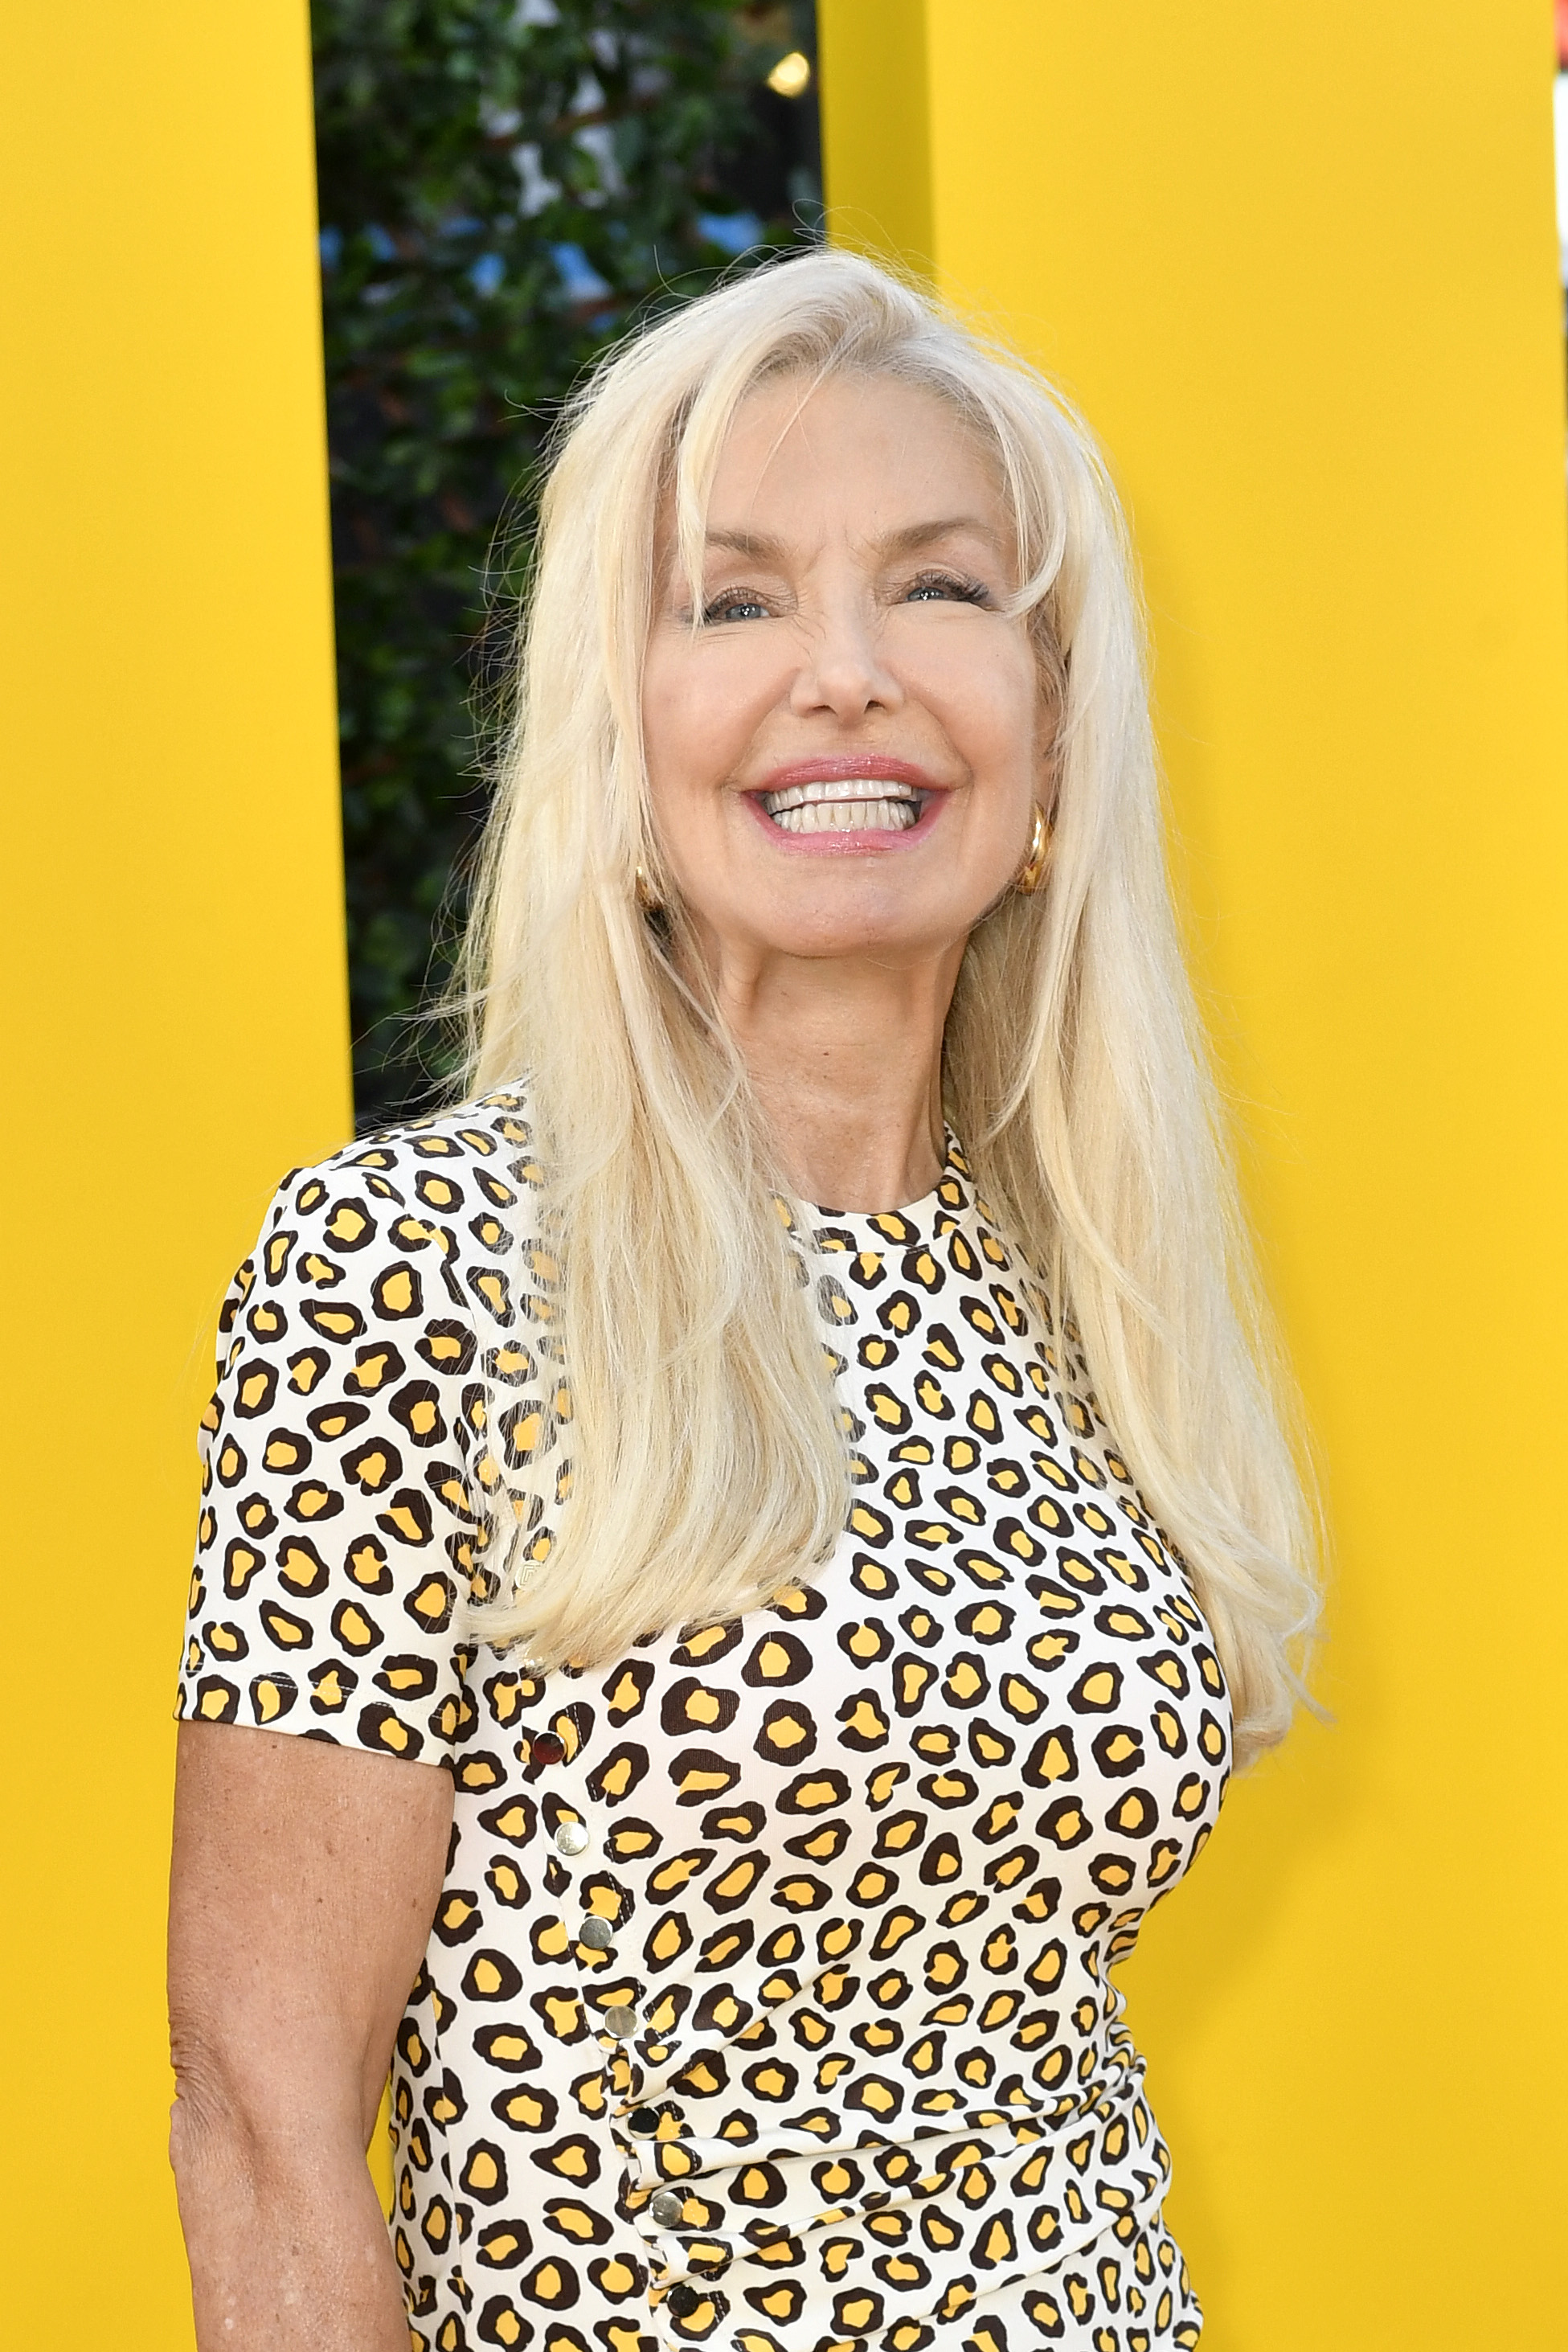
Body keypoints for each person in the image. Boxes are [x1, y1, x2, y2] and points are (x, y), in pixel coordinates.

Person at [168, 249, 1315, 2352]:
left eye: (944, 588)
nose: (850, 672)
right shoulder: (409, 1273)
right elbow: (258, 2113)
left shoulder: (1087, 1285)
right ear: (623, 731)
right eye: (736, 596)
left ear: (1056, 726)